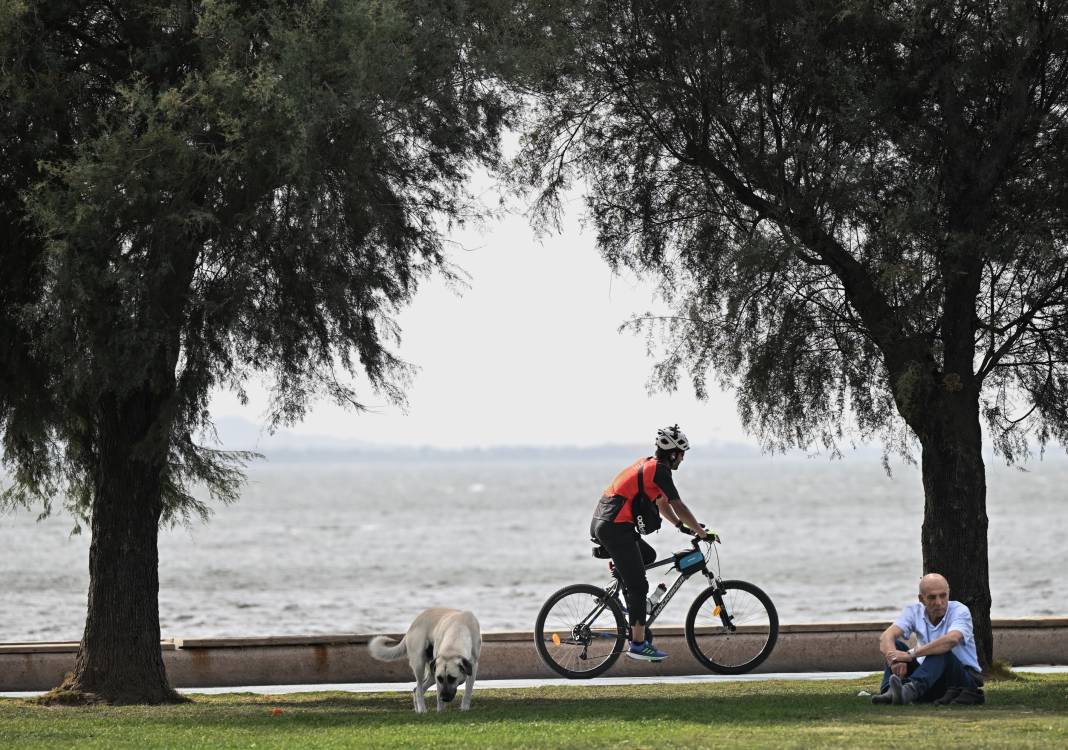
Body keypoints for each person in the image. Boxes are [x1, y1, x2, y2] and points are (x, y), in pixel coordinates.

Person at [590, 424, 711, 661]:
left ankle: (618, 586)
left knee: (647, 556)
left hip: (607, 523)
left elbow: (660, 503)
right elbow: (678, 504)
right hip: (615, 527)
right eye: (682, 453)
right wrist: (701, 532)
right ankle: (638, 644)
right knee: (639, 587)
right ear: (673, 453)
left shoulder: (647, 465)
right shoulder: (659, 470)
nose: (683, 459)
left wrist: (680, 526)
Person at [871, 573, 985, 706]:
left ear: (949, 593)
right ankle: (890, 692)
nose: (939, 602)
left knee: (941, 651)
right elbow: (886, 636)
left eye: (943, 595)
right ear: (921, 598)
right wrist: (894, 660)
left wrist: (910, 654)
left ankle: (908, 690)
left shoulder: (960, 611)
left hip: (959, 679)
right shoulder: (913, 611)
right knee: (895, 645)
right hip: (929, 677)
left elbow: (952, 640)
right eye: (932, 597)